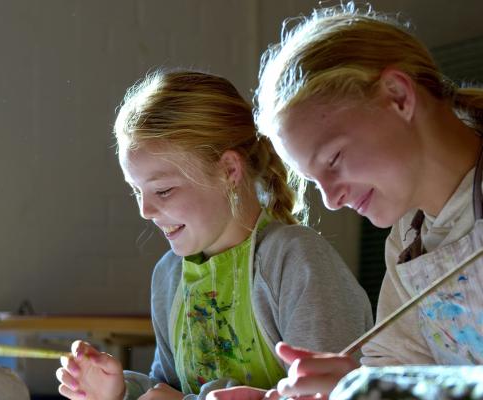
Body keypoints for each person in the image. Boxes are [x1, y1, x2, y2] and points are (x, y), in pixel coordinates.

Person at [210, 3, 483, 400]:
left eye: (334, 159)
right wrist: (342, 389)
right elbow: (395, 370)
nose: (332, 200)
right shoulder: (409, 243)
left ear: (398, 95)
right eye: (314, 181)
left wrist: (367, 386)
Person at [55, 70, 372, 400]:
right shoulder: (169, 276)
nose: (145, 210)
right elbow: (167, 387)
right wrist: (121, 392)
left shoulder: (295, 261)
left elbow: (330, 394)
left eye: (163, 191)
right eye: (137, 191)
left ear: (229, 170)